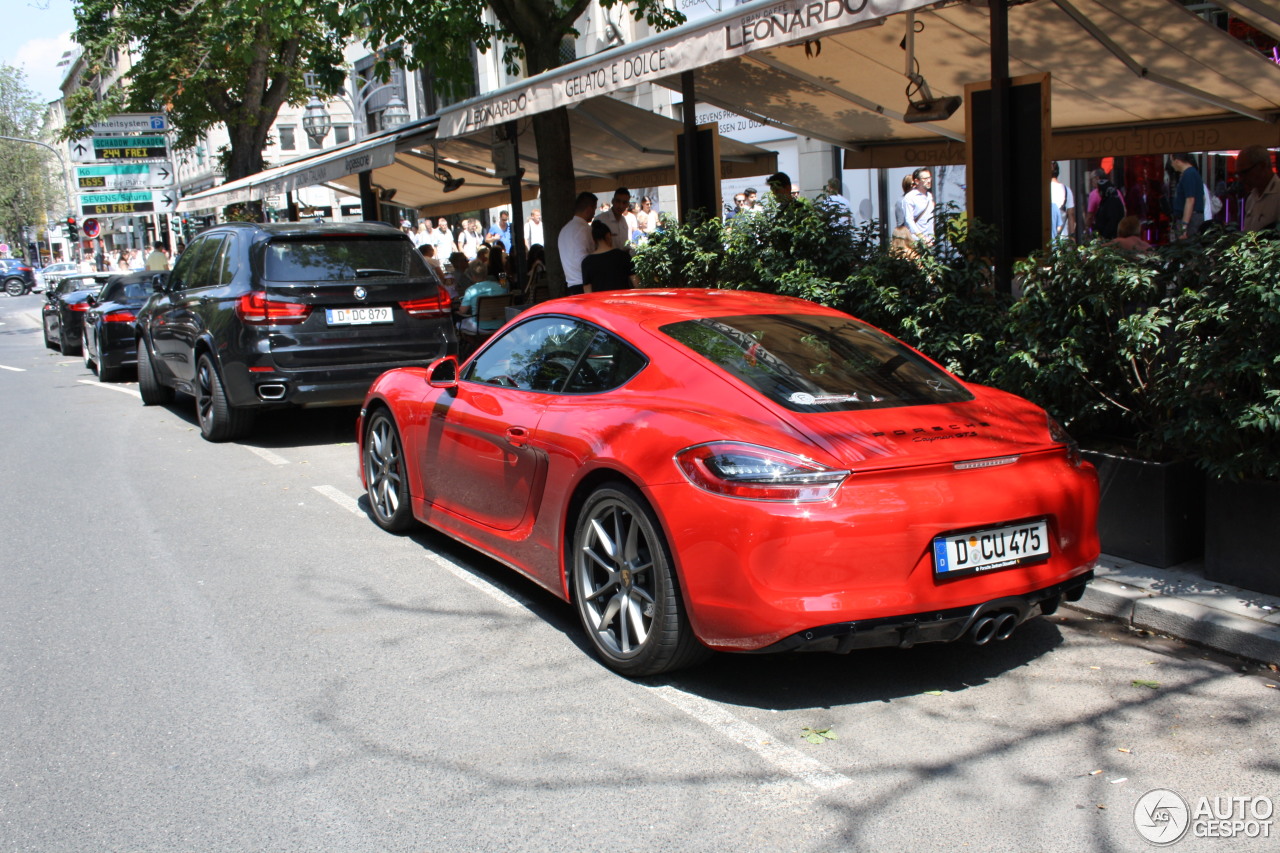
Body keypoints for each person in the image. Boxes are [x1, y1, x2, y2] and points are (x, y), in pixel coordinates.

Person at [457, 246, 509, 336]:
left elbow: (462, 311)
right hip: (501, 324)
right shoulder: (502, 284)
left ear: (472, 276)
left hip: (480, 326)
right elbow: (506, 289)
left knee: (458, 324)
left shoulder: (471, 290)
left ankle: (476, 345)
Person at [581, 220, 637, 293]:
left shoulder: (587, 262)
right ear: (608, 236)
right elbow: (636, 282)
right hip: (622, 300)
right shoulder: (623, 256)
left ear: (593, 240)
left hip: (601, 302)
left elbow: (587, 291)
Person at [559, 191, 598, 294]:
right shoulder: (585, 229)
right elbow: (589, 259)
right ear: (589, 209)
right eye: (594, 209)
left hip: (571, 284)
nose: (594, 213)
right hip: (585, 284)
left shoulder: (564, 230)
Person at [1235, 145, 1280, 232]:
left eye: (1244, 172)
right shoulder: (1251, 198)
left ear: (1262, 166)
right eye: (1238, 174)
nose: (1241, 179)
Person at [1170, 152, 1205, 239]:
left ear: (1177, 161)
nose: (1171, 165)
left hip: (1190, 220)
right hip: (1193, 217)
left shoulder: (1189, 174)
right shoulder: (1192, 173)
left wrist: (1184, 226)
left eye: (1172, 161)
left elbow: (1190, 200)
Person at [1087, 168, 1126, 238]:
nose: (1091, 182)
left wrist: (1087, 228)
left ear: (1097, 178)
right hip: (1117, 233)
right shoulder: (1117, 192)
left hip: (1102, 233)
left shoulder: (1094, 194)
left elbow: (1090, 215)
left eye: (1091, 179)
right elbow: (1124, 210)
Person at [901, 167, 935, 245]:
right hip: (916, 241)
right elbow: (909, 220)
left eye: (929, 177)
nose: (929, 181)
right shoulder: (910, 197)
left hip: (930, 240)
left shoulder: (929, 196)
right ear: (917, 181)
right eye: (925, 178)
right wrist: (921, 237)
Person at [1049, 161, 1076, 241]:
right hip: (1062, 237)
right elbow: (1071, 214)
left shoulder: (1044, 190)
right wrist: (1072, 236)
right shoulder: (1067, 190)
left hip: (1046, 236)